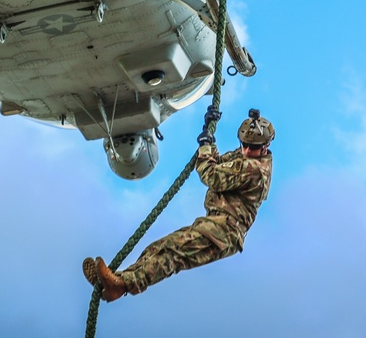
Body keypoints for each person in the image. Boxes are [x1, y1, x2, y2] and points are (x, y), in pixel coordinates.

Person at [83, 108, 274, 301]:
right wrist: (208, 134)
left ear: (265, 146)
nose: (248, 150)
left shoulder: (255, 169)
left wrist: (205, 147)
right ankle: (117, 282)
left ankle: (124, 284)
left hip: (225, 232)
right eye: (245, 145)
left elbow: (211, 175)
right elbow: (217, 162)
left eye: (253, 147)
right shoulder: (245, 158)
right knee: (159, 247)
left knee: (172, 254)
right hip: (215, 226)